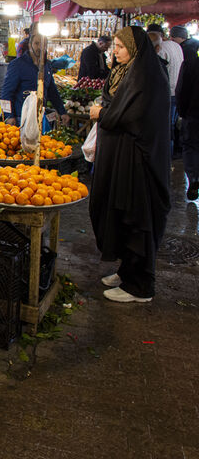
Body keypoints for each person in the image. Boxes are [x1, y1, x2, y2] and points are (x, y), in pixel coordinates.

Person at [87, 26, 171, 303]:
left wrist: (103, 113)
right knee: (118, 211)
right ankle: (127, 270)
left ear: (135, 49)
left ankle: (141, 285)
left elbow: (133, 116)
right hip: (121, 155)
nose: (116, 51)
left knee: (137, 215)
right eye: (116, 46)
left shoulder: (147, 76)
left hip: (139, 160)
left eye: (121, 47)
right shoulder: (125, 71)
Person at [1, 26, 69, 126]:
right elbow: (6, 93)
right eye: (37, 44)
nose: (41, 47)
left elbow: (52, 91)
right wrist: (8, 116)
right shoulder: (17, 65)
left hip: (40, 116)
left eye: (44, 44)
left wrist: (62, 111)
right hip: (21, 117)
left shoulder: (47, 65)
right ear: (29, 45)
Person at [148, 24, 184, 157]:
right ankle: (171, 153)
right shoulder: (177, 46)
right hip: (177, 91)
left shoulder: (161, 49)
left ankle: (165, 155)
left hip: (166, 93)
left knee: (165, 127)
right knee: (172, 125)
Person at [176, 47, 199, 200]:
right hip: (192, 113)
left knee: (191, 147)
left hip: (193, 114)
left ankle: (194, 178)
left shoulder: (190, 64)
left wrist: (182, 112)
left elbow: (181, 90)